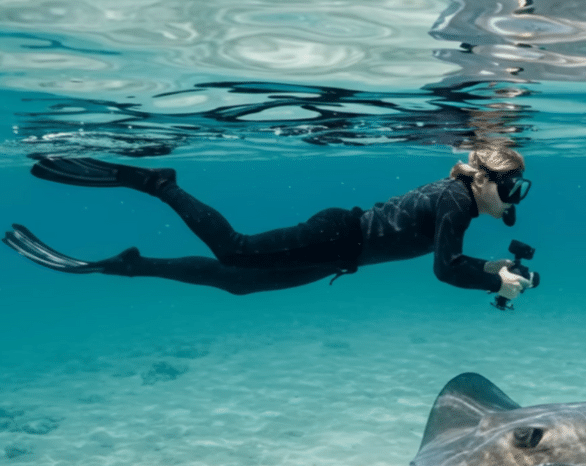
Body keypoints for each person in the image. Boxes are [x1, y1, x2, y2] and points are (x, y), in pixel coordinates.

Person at [3, 146, 533, 298]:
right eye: (511, 186)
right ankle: (160, 183)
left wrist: (491, 267)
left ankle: (130, 266)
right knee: (234, 250)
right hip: (336, 236)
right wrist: (494, 279)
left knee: (237, 283)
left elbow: (451, 258)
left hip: (340, 250)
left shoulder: (456, 199)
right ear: (486, 180)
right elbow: (444, 269)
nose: (513, 198)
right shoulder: (457, 202)